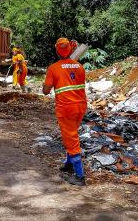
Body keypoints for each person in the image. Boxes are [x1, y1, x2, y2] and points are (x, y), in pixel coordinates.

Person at [42, 37, 87, 186]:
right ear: (71, 49)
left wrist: (48, 82)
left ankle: (79, 176)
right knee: (71, 135)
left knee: (71, 139)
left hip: (66, 108)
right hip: (80, 106)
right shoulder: (80, 67)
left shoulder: (53, 68)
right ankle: (69, 164)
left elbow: (46, 91)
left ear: (57, 50)